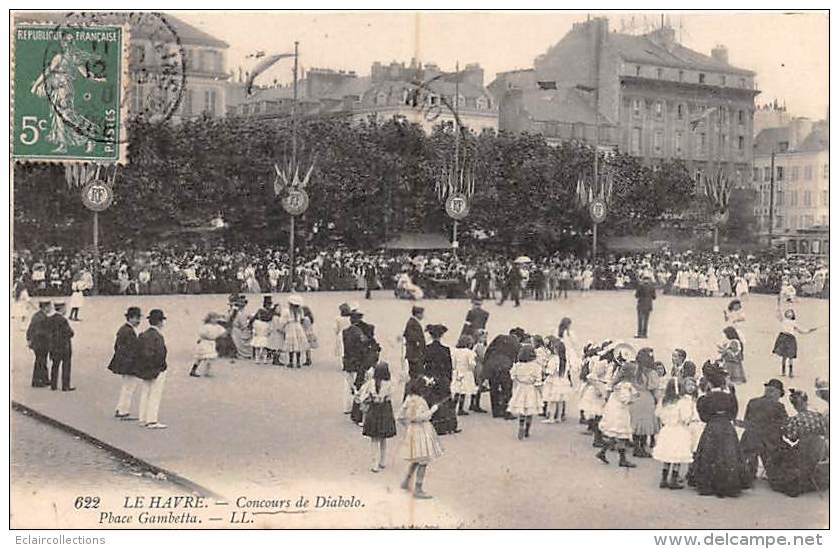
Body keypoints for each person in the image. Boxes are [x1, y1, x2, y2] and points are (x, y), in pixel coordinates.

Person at [691, 362, 745, 497]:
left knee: (709, 454)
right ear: (722, 384)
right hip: (727, 427)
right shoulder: (730, 398)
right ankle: (729, 485)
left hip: (712, 427)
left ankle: (708, 485)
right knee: (728, 454)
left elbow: (703, 417)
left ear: (709, 384)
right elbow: (733, 414)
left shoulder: (704, 399)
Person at [767, 389, 829, 497]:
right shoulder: (818, 416)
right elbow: (826, 432)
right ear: (806, 402)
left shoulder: (796, 419)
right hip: (819, 451)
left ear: (795, 406)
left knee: (782, 453)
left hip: (804, 452)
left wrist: (785, 429)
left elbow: (792, 438)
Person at [398, 378, 444, 499]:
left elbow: (400, 416)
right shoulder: (422, 401)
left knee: (416, 458)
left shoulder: (408, 399)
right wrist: (433, 410)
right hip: (422, 431)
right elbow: (422, 417)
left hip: (412, 431)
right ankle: (418, 488)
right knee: (423, 460)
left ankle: (406, 481)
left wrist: (407, 426)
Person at [740, 379, 788, 484]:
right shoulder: (779, 406)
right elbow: (785, 425)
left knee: (750, 449)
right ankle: (772, 473)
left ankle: (749, 472)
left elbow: (746, 421)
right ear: (776, 392)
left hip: (750, 439)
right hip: (770, 443)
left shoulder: (752, 402)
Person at [653, 378, 695, 489]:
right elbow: (686, 418)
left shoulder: (664, 401)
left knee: (667, 455)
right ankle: (673, 479)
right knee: (677, 456)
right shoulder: (682, 401)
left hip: (667, 430)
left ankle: (663, 479)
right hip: (679, 430)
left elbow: (658, 414)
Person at [597, 362, 639, 468]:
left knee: (615, 434)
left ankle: (603, 452)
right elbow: (625, 399)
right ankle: (622, 459)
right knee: (621, 434)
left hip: (613, 410)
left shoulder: (617, 383)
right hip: (620, 412)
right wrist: (633, 398)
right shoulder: (625, 385)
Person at [360, 361, 397, 473]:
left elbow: (363, 395)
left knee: (374, 438)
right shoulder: (390, 383)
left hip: (374, 410)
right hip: (385, 410)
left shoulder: (371, 383)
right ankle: (383, 461)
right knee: (383, 437)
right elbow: (391, 395)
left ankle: (374, 463)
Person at [136, 309, 169, 429]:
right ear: (160, 322)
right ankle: (152, 420)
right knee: (155, 394)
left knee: (145, 392)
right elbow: (160, 353)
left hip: (145, 368)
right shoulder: (158, 336)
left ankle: (143, 418)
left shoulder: (143, 334)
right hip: (156, 368)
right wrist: (161, 367)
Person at [424, 324, 459, 435]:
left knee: (432, 400)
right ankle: (447, 425)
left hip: (431, 378)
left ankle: (433, 424)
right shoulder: (446, 349)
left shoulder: (426, 348)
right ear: (441, 336)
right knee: (445, 401)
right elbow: (449, 367)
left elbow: (423, 365)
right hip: (443, 378)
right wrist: (449, 379)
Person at [108, 306, 143, 419]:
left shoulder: (123, 329)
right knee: (129, 387)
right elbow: (133, 349)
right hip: (129, 364)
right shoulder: (129, 332)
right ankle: (123, 411)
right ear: (131, 318)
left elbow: (117, 347)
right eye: (137, 318)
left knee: (126, 386)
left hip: (123, 363)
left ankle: (120, 408)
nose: (138, 321)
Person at [484, 328, 523, 419]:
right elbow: (518, 359)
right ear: (519, 337)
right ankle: (506, 412)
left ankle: (496, 411)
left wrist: (486, 365)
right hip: (505, 367)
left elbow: (488, 351)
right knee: (507, 389)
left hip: (492, 365)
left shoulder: (499, 337)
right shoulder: (517, 343)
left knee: (494, 388)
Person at [508, 344, 543, 440]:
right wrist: (540, 391)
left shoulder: (518, 365)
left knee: (521, 409)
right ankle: (527, 429)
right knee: (529, 409)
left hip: (521, 388)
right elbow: (538, 380)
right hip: (531, 389)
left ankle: (521, 425)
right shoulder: (536, 367)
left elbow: (512, 376)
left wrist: (518, 381)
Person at [630, 348, 660, 458]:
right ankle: (641, 447)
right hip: (646, 398)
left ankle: (635, 447)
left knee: (636, 423)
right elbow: (653, 388)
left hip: (634, 397)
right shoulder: (651, 372)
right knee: (645, 424)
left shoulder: (634, 369)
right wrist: (658, 400)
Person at [772, 308, 817, 378]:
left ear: (793, 315)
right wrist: (778, 310)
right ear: (786, 314)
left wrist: (809, 330)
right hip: (783, 338)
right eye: (788, 312)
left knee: (790, 356)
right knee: (783, 356)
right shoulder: (783, 320)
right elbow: (778, 316)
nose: (789, 314)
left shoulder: (794, 322)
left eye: (791, 313)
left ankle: (790, 372)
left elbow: (801, 331)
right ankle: (783, 372)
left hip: (790, 339)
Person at [541, 336, 571, 423]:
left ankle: (551, 418)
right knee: (560, 401)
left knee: (552, 401)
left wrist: (544, 369)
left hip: (553, 381)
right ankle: (559, 417)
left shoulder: (554, 359)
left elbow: (550, 371)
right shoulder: (565, 360)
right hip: (563, 382)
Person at [46, 302, 75, 391]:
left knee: (55, 365)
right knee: (66, 365)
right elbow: (70, 333)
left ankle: (53, 385)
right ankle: (65, 385)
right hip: (64, 346)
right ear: (62, 309)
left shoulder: (50, 319)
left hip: (54, 346)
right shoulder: (63, 320)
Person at [190, 313, 228, 377]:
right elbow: (201, 333)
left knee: (209, 358)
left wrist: (222, 334)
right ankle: (193, 370)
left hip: (211, 343)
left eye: (216, 319)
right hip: (205, 342)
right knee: (200, 357)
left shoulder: (217, 327)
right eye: (213, 319)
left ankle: (207, 371)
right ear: (209, 319)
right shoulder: (206, 326)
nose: (215, 320)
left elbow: (224, 333)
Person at [26, 301, 53, 388]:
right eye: (49, 307)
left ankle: (44, 379)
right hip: (41, 343)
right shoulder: (43, 318)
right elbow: (43, 332)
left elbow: (30, 329)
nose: (50, 308)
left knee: (41, 360)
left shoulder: (36, 315)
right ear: (45, 307)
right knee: (40, 361)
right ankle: (37, 381)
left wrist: (29, 340)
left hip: (36, 343)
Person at [451, 334, 478, 416]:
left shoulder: (455, 351)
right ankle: (460, 409)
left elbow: (453, 363)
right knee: (463, 391)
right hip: (466, 372)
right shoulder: (469, 352)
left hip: (458, 372)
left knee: (457, 390)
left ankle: (452, 408)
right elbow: (471, 364)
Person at [282, 294, 311, 369]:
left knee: (291, 345)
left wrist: (283, 326)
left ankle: (291, 362)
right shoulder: (300, 311)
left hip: (290, 327)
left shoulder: (287, 311)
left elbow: (283, 321)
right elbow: (302, 319)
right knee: (298, 344)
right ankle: (298, 362)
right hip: (298, 327)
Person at [403, 305, 427, 388]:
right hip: (415, 356)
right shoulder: (412, 323)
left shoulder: (413, 322)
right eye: (422, 314)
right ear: (418, 314)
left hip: (414, 355)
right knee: (415, 377)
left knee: (415, 376)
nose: (423, 316)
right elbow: (413, 339)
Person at [634, 274, 656, 339]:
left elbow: (636, 295)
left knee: (640, 320)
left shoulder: (640, 286)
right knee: (646, 320)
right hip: (648, 305)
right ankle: (645, 334)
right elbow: (654, 297)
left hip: (641, 304)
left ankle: (639, 333)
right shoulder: (652, 287)